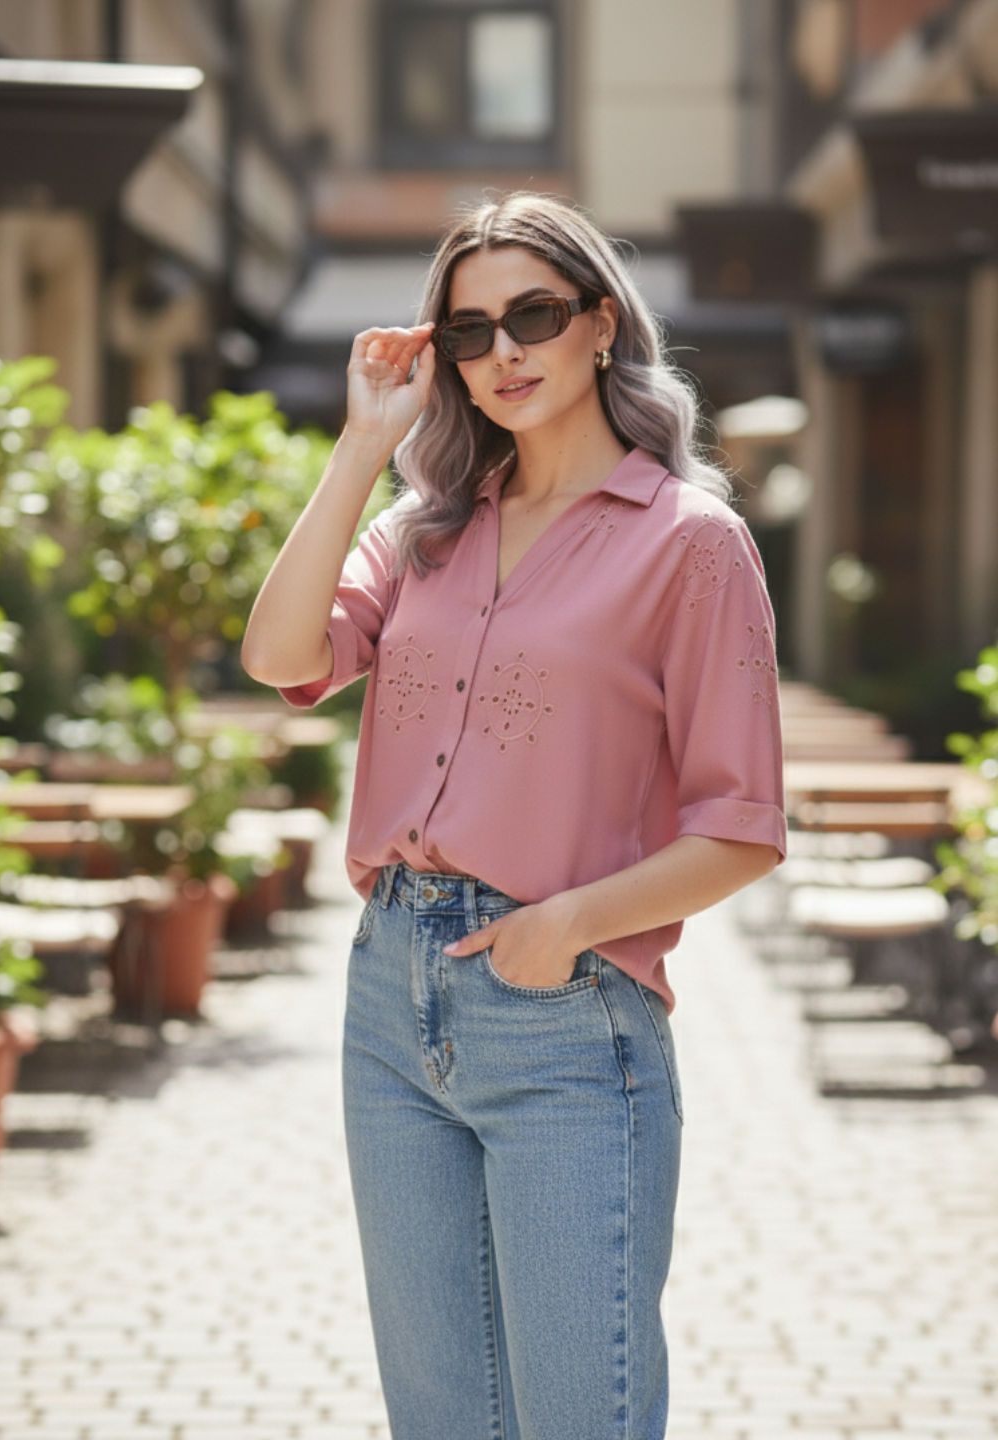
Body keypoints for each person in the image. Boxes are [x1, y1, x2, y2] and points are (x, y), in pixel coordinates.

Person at [242, 192, 786, 1440]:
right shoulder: (422, 531)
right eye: (470, 330)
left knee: (574, 1418)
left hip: (565, 1014)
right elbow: (281, 658)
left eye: (533, 315)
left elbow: (743, 824)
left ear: (601, 325)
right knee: (439, 1418)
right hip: (391, 998)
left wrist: (567, 928)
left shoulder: (692, 545)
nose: (503, 353)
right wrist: (358, 451)